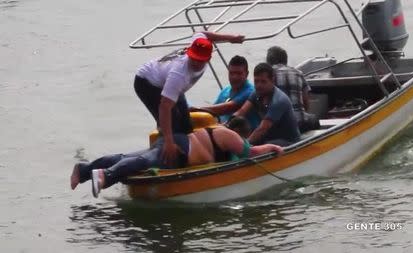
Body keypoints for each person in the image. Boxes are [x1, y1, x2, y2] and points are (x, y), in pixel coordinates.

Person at [70, 118, 283, 198]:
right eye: (243, 139)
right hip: (182, 149)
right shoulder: (229, 135)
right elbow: (251, 152)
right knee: (144, 161)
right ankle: (106, 176)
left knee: (129, 156)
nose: (242, 144)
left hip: (182, 148)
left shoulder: (219, 133)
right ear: (239, 133)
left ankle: (84, 170)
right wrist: (272, 146)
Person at [134, 31, 245, 168]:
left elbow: (201, 33)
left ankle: (187, 155)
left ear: (208, 59)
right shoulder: (179, 74)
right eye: (193, 58)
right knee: (173, 125)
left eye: (200, 60)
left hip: (171, 83)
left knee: (186, 125)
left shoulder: (199, 44)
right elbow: (165, 107)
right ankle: (165, 155)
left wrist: (231, 38)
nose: (196, 62)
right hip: (147, 82)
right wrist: (169, 141)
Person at [232, 63, 301, 146]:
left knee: (263, 144)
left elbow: (262, 129)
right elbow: (241, 111)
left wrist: (245, 147)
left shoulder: (279, 101)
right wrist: (227, 125)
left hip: (288, 141)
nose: (259, 85)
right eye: (256, 81)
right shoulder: (256, 93)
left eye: (263, 82)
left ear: (272, 80)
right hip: (269, 137)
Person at [194, 55, 258, 129]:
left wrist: (194, 109)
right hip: (222, 128)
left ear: (246, 74)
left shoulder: (250, 91)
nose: (234, 77)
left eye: (239, 73)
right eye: (231, 73)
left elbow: (225, 108)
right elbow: (212, 112)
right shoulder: (225, 90)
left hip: (243, 135)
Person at [266, 46, 320, 132]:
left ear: (268, 61)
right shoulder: (298, 73)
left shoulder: (267, 75)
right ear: (285, 60)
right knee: (314, 118)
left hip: (277, 126)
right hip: (300, 124)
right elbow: (306, 103)